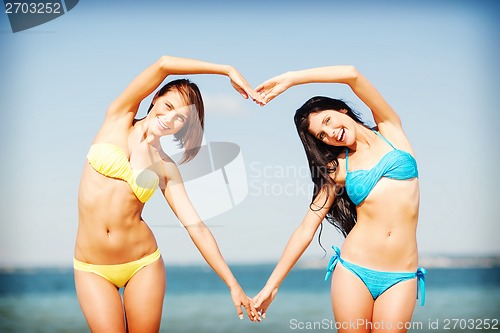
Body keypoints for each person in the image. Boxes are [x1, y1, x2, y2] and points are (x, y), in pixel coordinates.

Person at [74, 55, 263, 332]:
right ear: (155, 98)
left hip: (143, 265)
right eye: (168, 105)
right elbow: (163, 64)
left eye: (180, 118)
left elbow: (196, 227)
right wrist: (226, 70)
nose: (169, 118)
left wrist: (232, 284)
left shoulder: (165, 166)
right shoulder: (118, 118)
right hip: (91, 267)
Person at [252, 65, 426, 332]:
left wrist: (291, 79)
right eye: (322, 135)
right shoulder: (337, 169)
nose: (331, 133)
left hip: (401, 275)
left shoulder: (391, 131)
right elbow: (306, 228)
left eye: (328, 120)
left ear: (341, 109)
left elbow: (352, 75)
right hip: (354, 270)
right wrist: (271, 286)